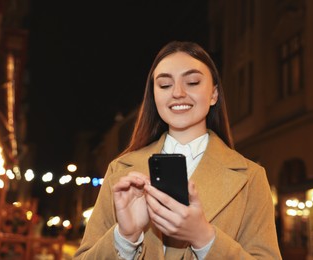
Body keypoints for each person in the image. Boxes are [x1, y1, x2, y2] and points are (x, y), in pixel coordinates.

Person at [74, 41, 282, 259]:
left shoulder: (251, 177)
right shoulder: (120, 171)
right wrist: (125, 238)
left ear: (214, 94)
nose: (178, 93)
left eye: (192, 82)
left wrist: (205, 238)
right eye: (164, 85)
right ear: (154, 97)